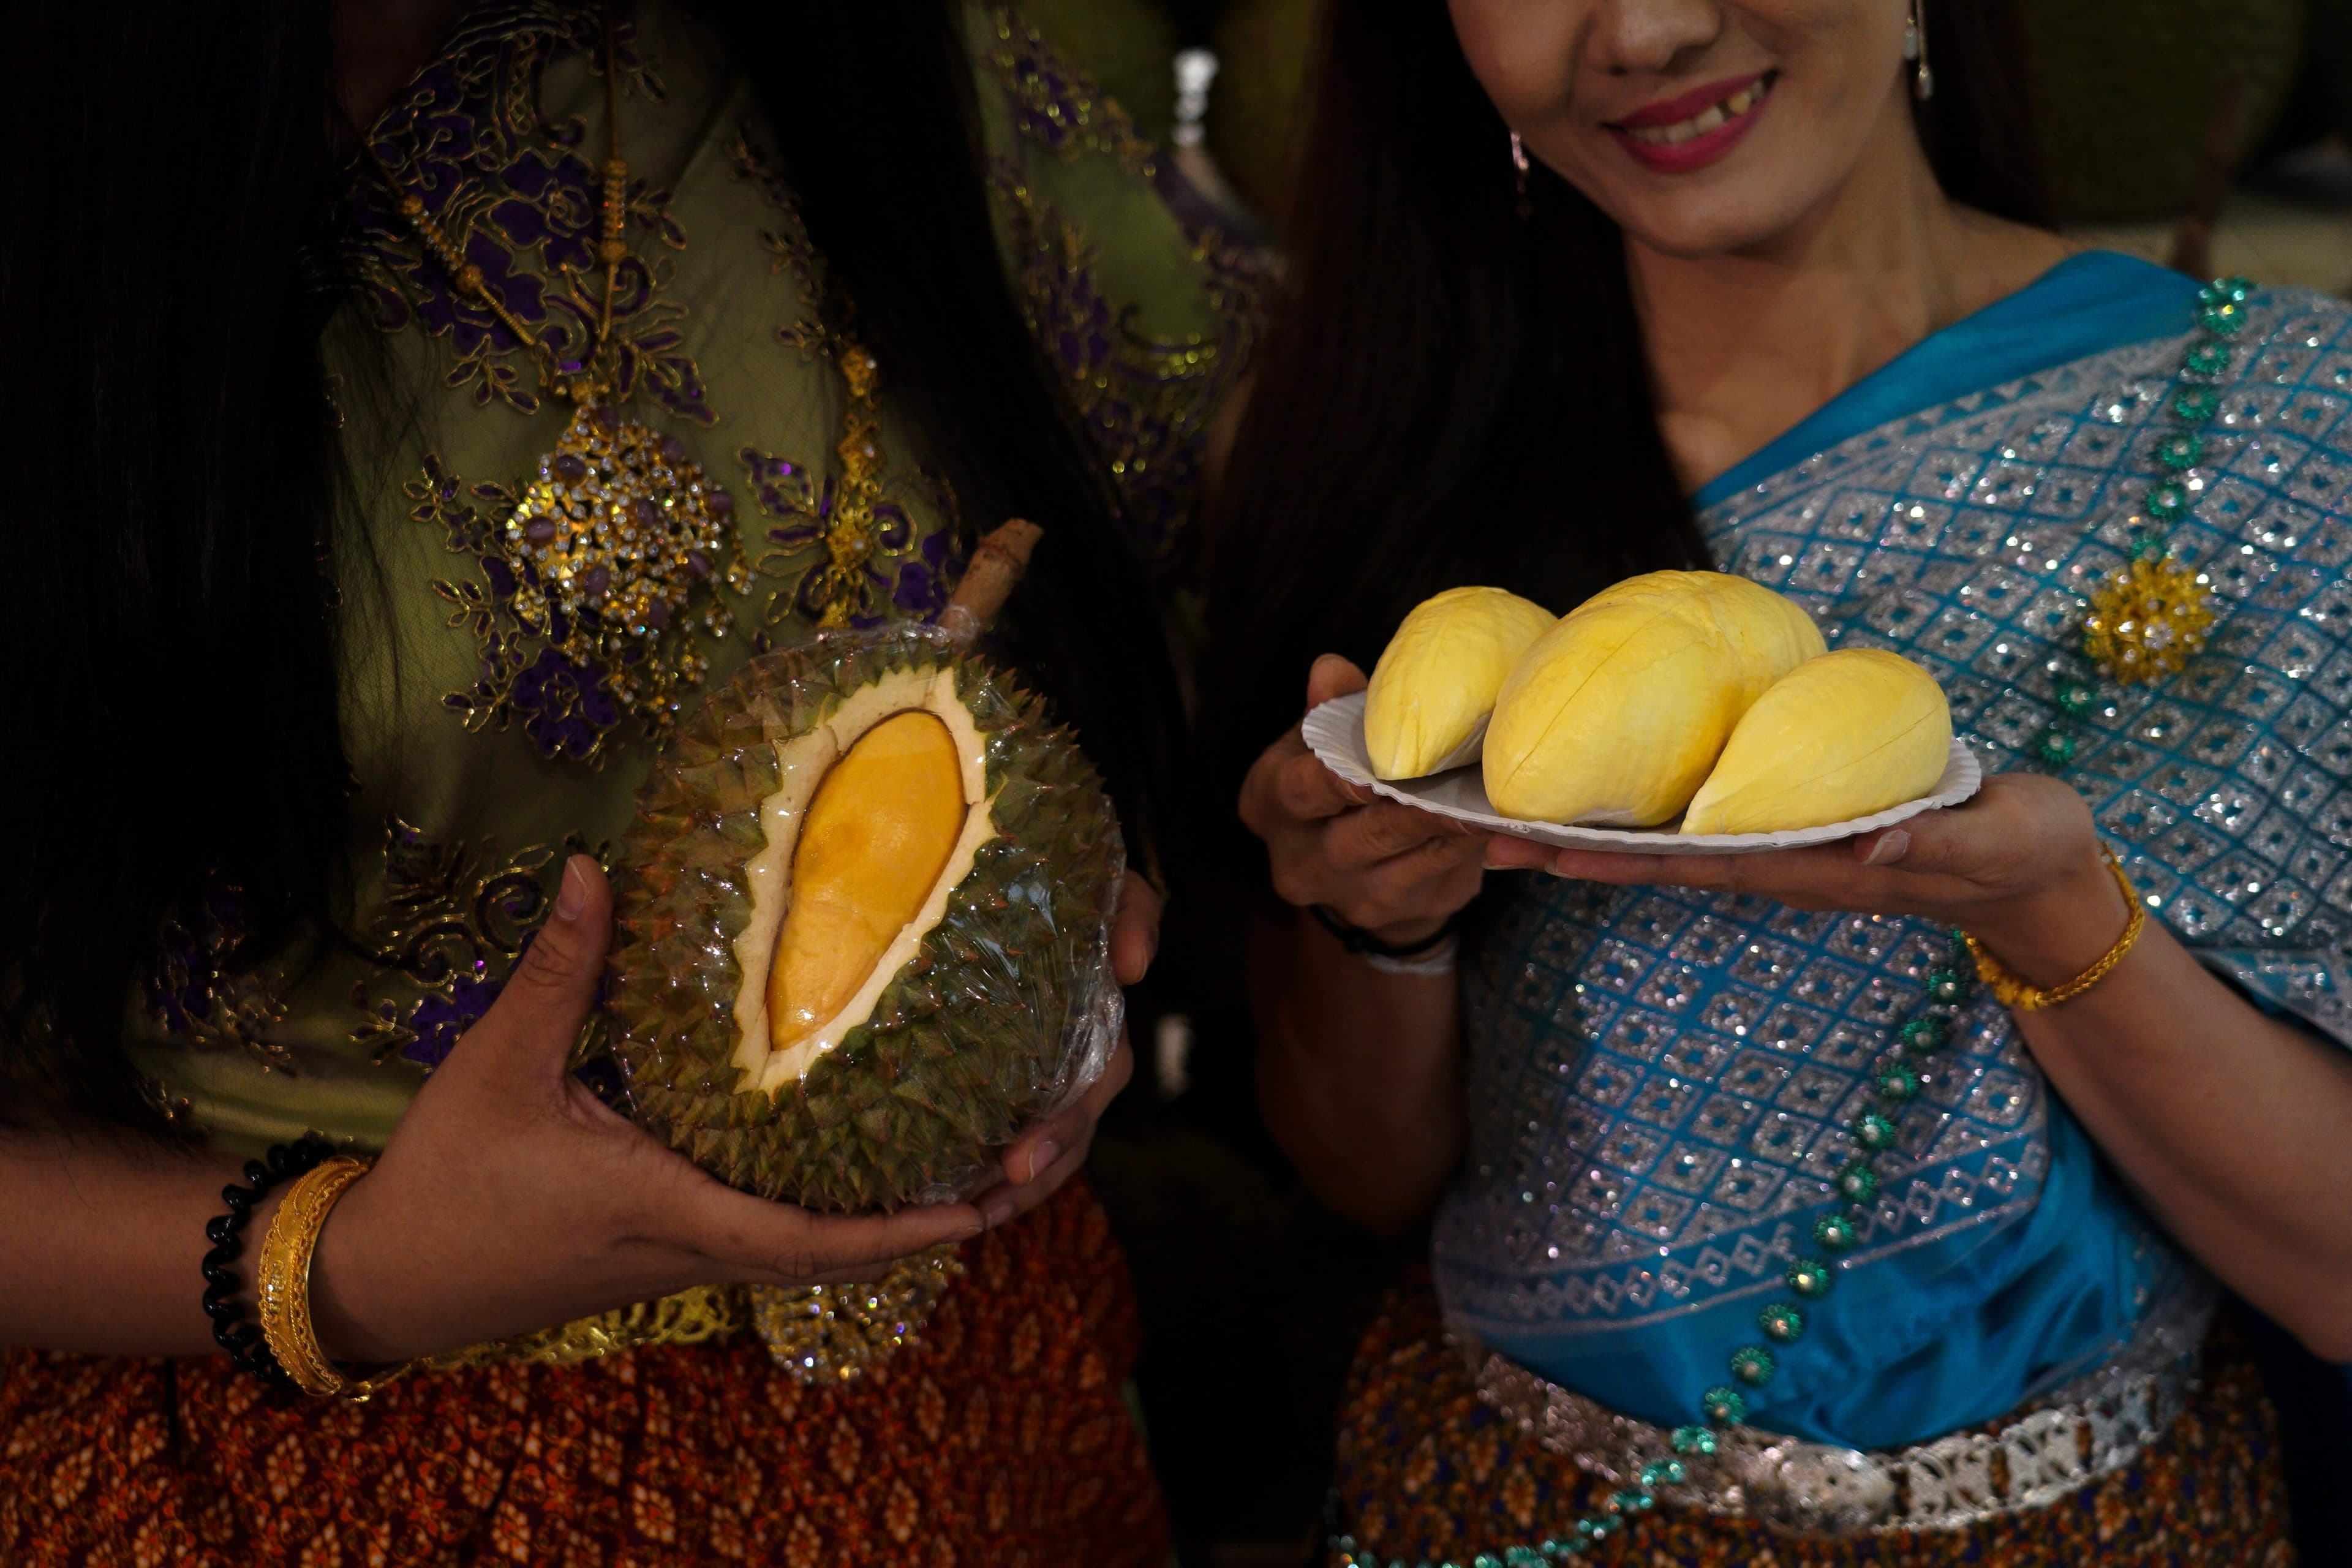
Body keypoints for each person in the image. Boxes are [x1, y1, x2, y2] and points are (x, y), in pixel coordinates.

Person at [0, 1, 1254, 1562]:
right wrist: (351, 1265)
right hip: (301, 1472)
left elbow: (1191, 557)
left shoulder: (886, 68)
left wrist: (1048, 911)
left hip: (972, 1414)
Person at [1208, 0, 2351, 1561]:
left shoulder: (2274, 434)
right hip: (1512, 1507)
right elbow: (1359, 1172)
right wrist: (1379, 920)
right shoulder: (1383, 448)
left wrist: (2052, 921)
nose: (1650, 27)